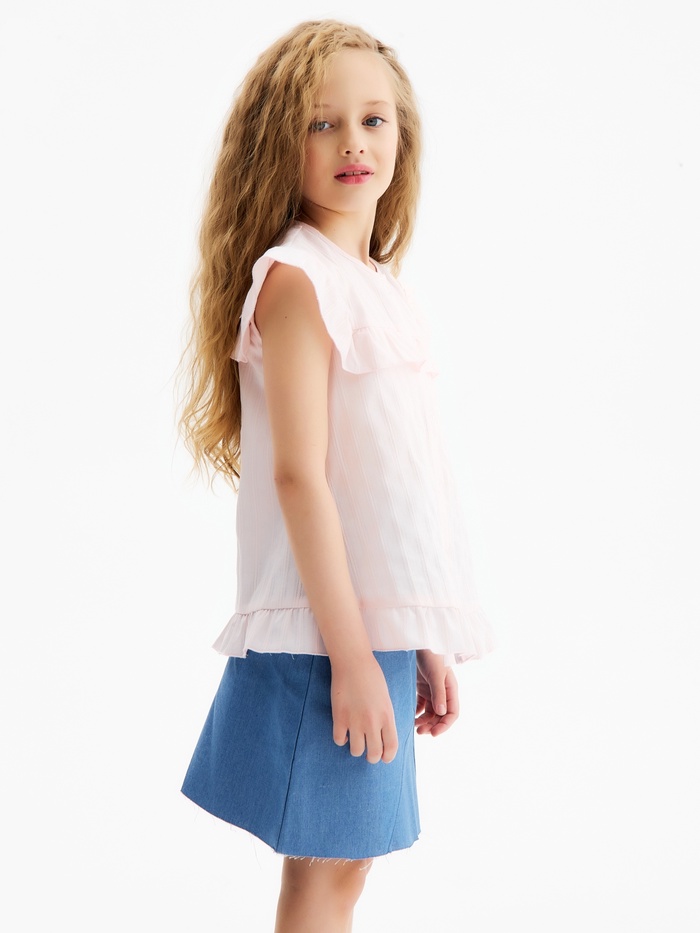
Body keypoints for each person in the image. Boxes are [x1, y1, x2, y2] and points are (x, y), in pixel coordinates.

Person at [177, 18, 497, 932]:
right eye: (323, 123)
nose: (354, 142)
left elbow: (384, 485)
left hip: (362, 625)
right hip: (324, 634)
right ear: (281, 143)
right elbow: (300, 478)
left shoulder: (377, 288)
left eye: (373, 120)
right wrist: (354, 656)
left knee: (345, 864)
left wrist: (414, 632)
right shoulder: (298, 280)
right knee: (327, 866)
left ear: (402, 136)